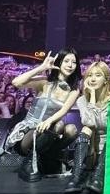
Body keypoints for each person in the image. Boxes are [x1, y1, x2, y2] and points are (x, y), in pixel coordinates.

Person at [7, 49, 81, 183]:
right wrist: (41, 67)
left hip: (49, 130)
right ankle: (30, 161)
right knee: (58, 125)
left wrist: (49, 121)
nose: (70, 65)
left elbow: (64, 110)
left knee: (71, 129)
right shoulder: (45, 82)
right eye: (66, 61)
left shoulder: (74, 89)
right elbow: (16, 82)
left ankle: (42, 157)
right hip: (28, 133)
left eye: (74, 62)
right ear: (59, 62)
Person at [65, 61, 110, 194]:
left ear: (106, 80)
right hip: (90, 149)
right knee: (86, 129)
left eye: (98, 75)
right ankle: (76, 176)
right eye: (89, 75)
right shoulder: (82, 100)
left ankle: (98, 177)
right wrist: (91, 97)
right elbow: (89, 122)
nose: (92, 79)